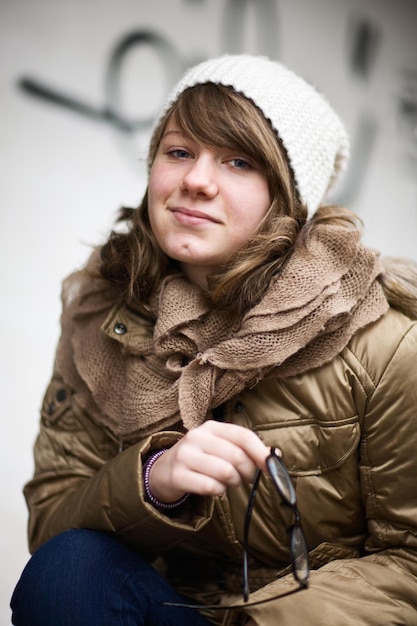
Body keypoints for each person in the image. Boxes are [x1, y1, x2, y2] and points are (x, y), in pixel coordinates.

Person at [10, 54, 417, 626]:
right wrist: (153, 482)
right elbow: (51, 520)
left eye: (238, 161)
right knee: (70, 568)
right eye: (179, 152)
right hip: (175, 612)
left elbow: (411, 561)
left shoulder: (384, 339)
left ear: (289, 198)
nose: (196, 181)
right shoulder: (103, 319)